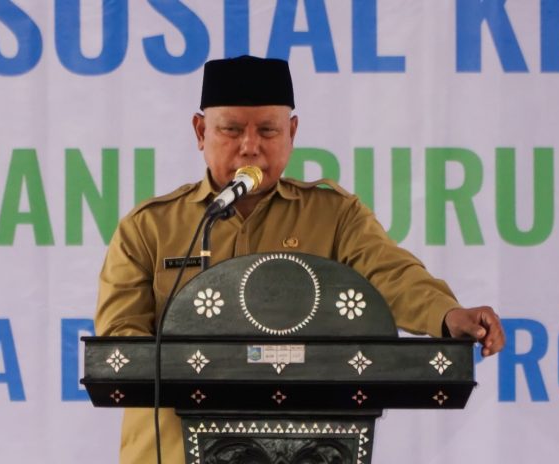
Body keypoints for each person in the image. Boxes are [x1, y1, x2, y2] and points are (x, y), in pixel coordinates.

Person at [95, 55, 505, 464]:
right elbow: (119, 342)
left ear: (291, 132)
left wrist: (446, 314)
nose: (250, 146)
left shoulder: (334, 216)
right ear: (201, 131)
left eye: (268, 130)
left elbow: (392, 274)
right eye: (231, 130)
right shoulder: (148, 227)